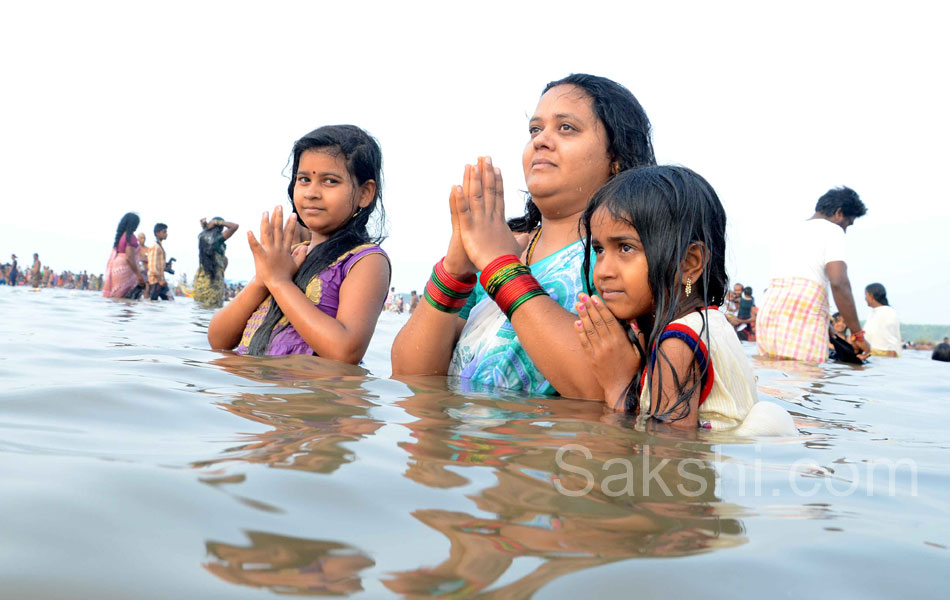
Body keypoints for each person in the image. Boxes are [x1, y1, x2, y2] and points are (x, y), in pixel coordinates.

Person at [392, 74, 655, 397]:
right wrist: (455, 269)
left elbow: (606, 391)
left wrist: (501, 267)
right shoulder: (505, 247)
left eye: (566, 128)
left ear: (616, 157)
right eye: (535, 129)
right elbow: (411, 379)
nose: (541, 140)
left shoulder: (621, 259)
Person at [573, 166, 793, 434]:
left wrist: (617, 386)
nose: (603, 271)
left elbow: (669, 455)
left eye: (626, 248)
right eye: (599, 250)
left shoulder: (676, 343)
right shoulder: (711, 322)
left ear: (689, 263)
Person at [207, 124, 391, 362]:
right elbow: (218, 340)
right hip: (260, 390)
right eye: (304, 179)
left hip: (306, 397)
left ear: (365, 193)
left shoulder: (366, 261)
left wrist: (280, 283)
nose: (311, 192)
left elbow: (345, 351)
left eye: (330, 181)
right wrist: (262, 281)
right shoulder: (287, 258)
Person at [756, 187, 870, 362]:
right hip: (804, 312)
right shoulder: (833, 230)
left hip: (769, 310)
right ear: (839, 213)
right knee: (805, 379)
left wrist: (827, 326)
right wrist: (858, 334)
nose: (845, 230)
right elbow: (839, 282)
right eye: (848, 223)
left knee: (773, 383)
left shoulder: (787, 231)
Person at [193, 216, 239, 308]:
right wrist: (218, 222)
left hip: (201, 277)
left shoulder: (202, 236)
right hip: (214, 278)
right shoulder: (218, 239)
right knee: (214, 306)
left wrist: (208, 225)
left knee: (200, 306)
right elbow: (235, 226)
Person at [102, 212, 146, 298]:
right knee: (124, 299)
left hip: (117, 266)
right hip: (125, 268)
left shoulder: (121, 236)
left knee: (117, 297)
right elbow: (129, 258)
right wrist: (139, 276)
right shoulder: (130, 237)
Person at [863, 283, 901, 357]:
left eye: (866, 295)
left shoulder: (887, 312)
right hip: (872, 353)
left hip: (884, 354)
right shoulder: (875, 312)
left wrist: (890, 362)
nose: (865, 298)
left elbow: (892, 340)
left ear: (872, 295)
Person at [147, 223, 173, 301]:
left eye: (166, 232)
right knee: (153, 303)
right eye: (164, 232)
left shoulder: (159, 246)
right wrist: (160, 280)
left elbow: (159, 265)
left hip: (160, 281)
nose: (166, 234)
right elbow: (152, 267)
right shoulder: (155, 247)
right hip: (155, 282)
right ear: (157, 233)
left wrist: (166, 266)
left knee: (170, 301)